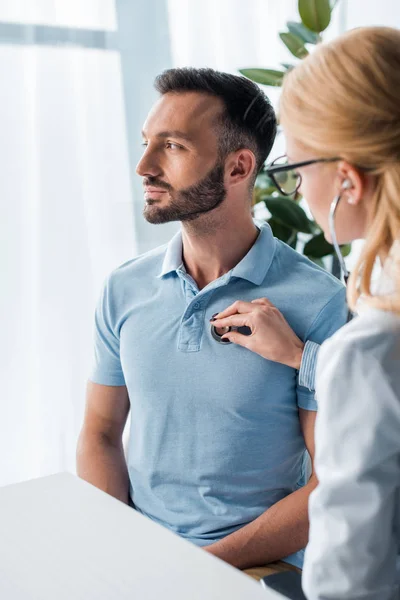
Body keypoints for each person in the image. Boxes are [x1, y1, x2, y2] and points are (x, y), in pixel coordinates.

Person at [76, 68, 347, 579]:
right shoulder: (124, 288)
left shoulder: (318, 302)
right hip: (143, 560)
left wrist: (192, 570)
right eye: (146, 143)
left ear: (239, 167)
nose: (144, 166)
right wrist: (117, 552)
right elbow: (101, 432)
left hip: (259, 567)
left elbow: (333, 481)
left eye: (173, 146)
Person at [212, 27, 400, 598]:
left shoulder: (367, 347)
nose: (296, 192)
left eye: (297, 168)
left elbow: (350, 578)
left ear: (346, 178)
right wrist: (302, 356)